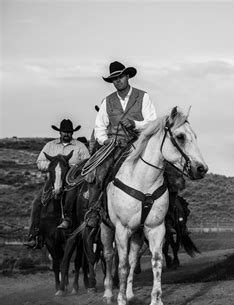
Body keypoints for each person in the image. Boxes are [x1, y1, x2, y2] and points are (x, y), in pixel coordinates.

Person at [57, 61, 157, 229]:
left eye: (120, 77)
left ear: (127, 77)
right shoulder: (107, 101)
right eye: (114, 79)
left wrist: (135, 124)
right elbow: (99, 128)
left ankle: (167, 213)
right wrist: (105, 140)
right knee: (97, 173)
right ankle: (94, 211)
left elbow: (152, 122)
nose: (117, 81)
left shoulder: (143, 96)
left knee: (161, 167)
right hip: (114, 146)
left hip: (138, 143)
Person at [23, 119, 90, 248]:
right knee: (37, 203)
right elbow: (40, 162)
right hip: (52, 181)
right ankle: (34, 235)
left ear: (72, 133)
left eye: (69, 132)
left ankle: (84, 228)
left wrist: (71, 167)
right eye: (64, 132)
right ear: (60, 132)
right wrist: (55, 165)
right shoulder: (50, 145)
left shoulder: (80, 146)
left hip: (73, 182)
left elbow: (88, 164)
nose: (66, 134)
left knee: (84, 202)